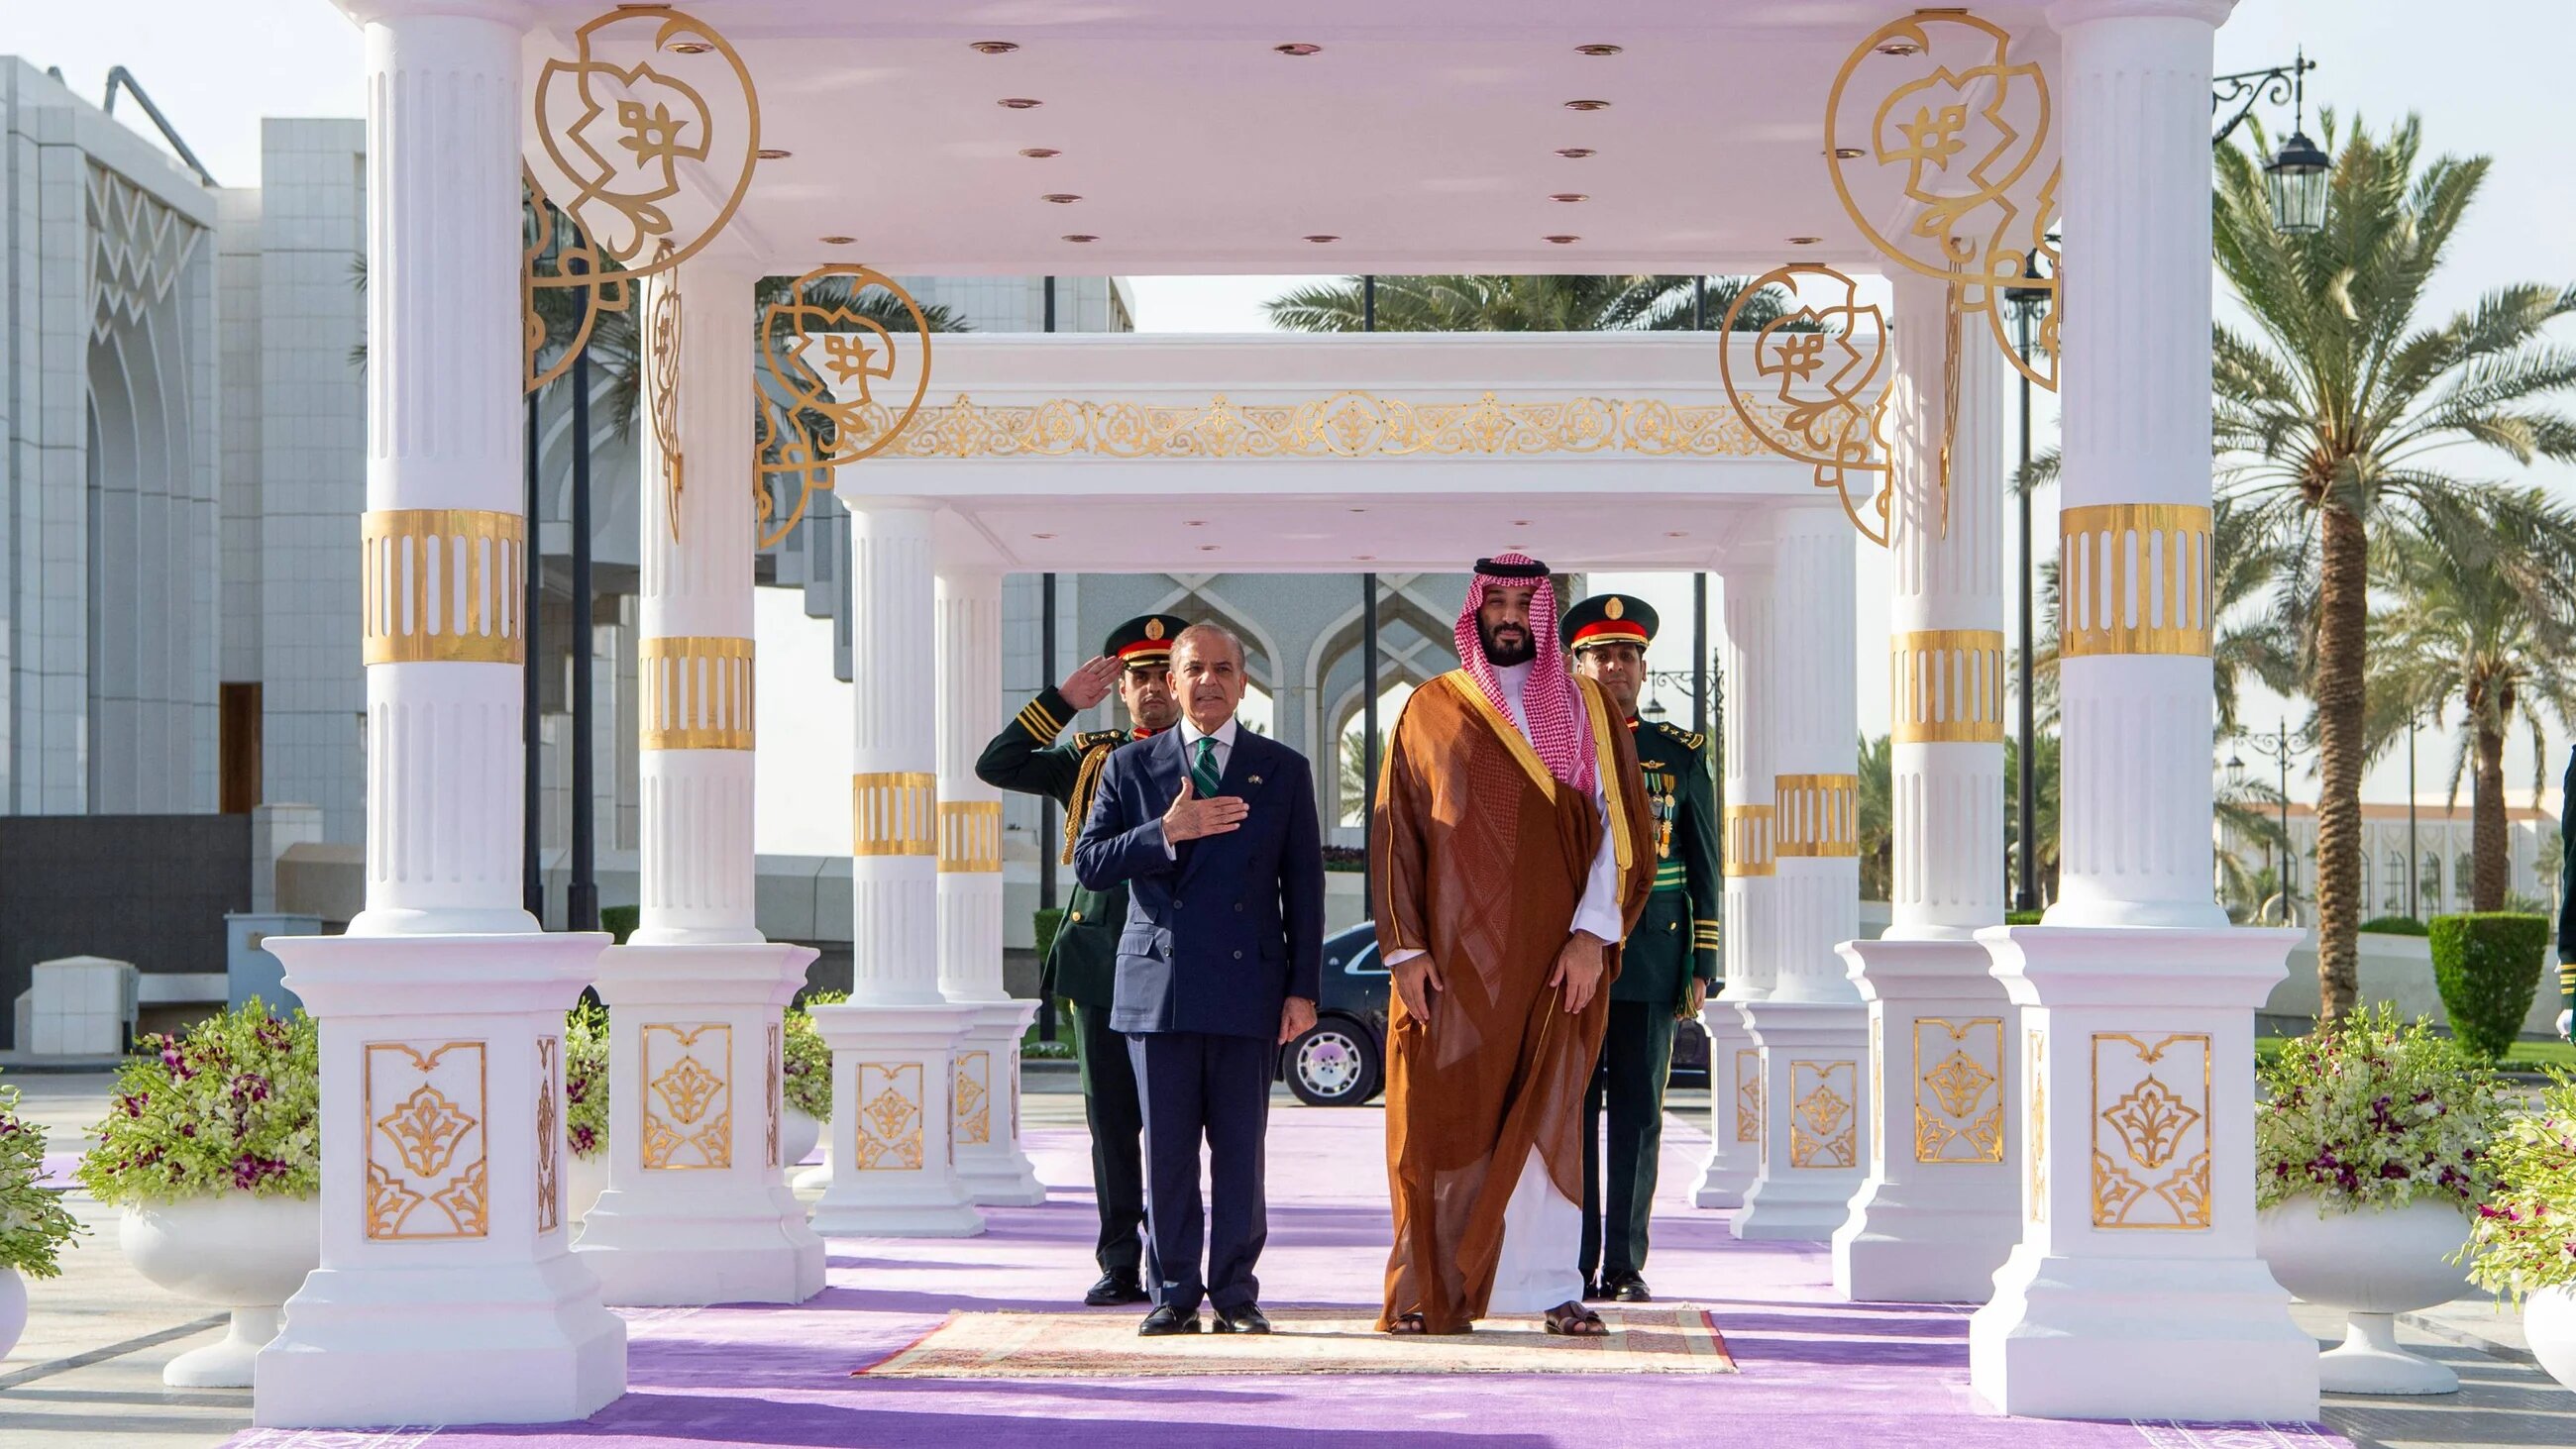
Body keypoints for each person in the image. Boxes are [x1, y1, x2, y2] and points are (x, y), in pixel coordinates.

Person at [1370, 554, 1655, 1338]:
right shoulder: (1429, 708)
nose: (1506, 614)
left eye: (1521, 602)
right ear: (1473, 610)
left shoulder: (1588, 706)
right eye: (1492, 601)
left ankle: (1550, 1284)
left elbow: (1619, 831)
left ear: (1542, 612)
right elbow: (1397, 835)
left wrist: (1595, 936)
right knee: (1443, 1117)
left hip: (1554, 959)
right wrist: (1406, 950)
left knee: (1548, 1112)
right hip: (1452, 968)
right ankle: (1436, 1281)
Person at [1074, 623, 1325, 1336]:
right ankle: (1176, 1291)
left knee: (1241, 1151)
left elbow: (1301, 886)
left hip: (1249, 989)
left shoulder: (1281, 769)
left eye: (1223, 668)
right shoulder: (1128, 767)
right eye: (1194, 669)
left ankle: (1237, 1292)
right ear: (1172, 682)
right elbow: (1090, 863)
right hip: (1160, 988)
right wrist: (1166, 831)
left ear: (1245, 682)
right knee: (1170, 1151)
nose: (1208, 681)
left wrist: (1302, 988)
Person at [974, 612, 1188, 1307]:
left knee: (1176, 1119)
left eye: (1163, 674)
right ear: (1120, 690)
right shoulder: (1091, 759)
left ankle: (1175, 1257)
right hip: (1101, 961)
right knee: (1111, 1121)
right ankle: (1121, 1257)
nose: (1152, 688)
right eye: (1137, 677)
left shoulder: (1212, 756)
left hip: (1182, 961)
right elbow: (996, 764)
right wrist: (1061, 703)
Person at [1559, 593, 1720, 1304]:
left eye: (1627, 655)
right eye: (1601, 654)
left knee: (1637, 1114)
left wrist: (1703, 962)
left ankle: (1622, 1263)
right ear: (1576, 664)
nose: (1615, 666)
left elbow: (1706, 863)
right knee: (1569, 1113)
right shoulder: (1555, 750)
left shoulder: (1678, 754)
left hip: (1652, 959)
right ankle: (1571, 1256)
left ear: (1644, 669)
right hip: (1568, 965)